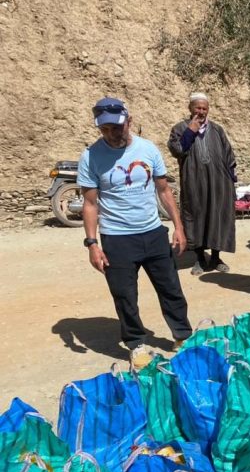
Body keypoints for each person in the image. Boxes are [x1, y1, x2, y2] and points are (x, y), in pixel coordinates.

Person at [78, 97, 192, 370]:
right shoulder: (91, 157)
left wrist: (178, 226)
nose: (111, 133)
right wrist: (93, 244)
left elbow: (164, 190)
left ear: (128, 121)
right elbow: (90, 203)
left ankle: (182, 336)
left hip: (153, 232)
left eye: (116, 127)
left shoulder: (148, 149)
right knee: (124, 295)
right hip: (117, 238)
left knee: (170, 288)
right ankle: (136, 344)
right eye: (104, 129)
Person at [168, 92, 237, 276]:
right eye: (198, 107)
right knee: (195, 217)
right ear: (190, 108)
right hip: (194, 183)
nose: (201, 111)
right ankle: (199, 258)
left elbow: (229, 156)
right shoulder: (179, 129)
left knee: (217, 217)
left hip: (218, 183)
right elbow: (177, 150)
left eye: (204, 108)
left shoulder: (216, 129)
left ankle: (215, 257)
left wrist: (232, 182)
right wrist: (191, 130)